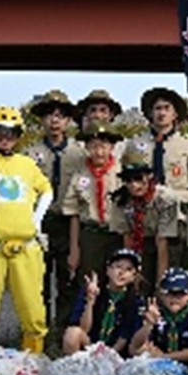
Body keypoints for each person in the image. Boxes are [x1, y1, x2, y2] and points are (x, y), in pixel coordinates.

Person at [0, 105, 54, 353]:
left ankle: (33, 362)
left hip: (25, 249)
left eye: (12, 132)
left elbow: (46, 190)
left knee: (34, 311)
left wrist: (36, 220)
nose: (6, 137)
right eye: (0, 131)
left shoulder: (26, 164)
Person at [27, 90, 86, 339]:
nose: (54, 120)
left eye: (60, 116)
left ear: (68, 121)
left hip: (68, 221)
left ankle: (62, 332)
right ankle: (38, 332)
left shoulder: (79, 151)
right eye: (49, 115)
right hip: (40, 221)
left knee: (67, 279)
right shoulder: (30, 153)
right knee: (38, 280)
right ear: (42, 119)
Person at [62, 121, 124, 316]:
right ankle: (86, 329)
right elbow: (73, 213)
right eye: (94, 146)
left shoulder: (122, 174)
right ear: (87, 147)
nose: (99, 152)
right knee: (89, 283)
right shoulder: (80, 175)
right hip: (91, 235)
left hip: (117, 234)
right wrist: (74, 248)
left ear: (112, 147)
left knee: (117, 282)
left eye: (104, 146)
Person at [107, 144, 181, 290]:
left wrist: (161, 282)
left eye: (139, 178)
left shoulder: (166, 198)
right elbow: (127, 237)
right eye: (128, 180)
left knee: (168, 282)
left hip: (169, 241)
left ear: (149, 176)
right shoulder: (120, 200)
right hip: (140, 242)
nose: (134, 185)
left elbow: (162, 242)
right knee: (139, 286)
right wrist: (131, 272)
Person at [63, 248, 146, 356]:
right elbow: (83, 329)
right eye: (118, 267)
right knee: (72, 333)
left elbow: (125, 336)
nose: (122, 273)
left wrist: (109, 355)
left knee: (144, 348)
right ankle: (74, 370)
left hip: (116, 354)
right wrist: (90, 302)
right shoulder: (93, 289)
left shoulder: (135, 300)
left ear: (133, 277)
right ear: (108, 270)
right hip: (90, 346)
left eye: (129, 269)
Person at [130, 267, 188, 364]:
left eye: (180, 294)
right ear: (161, 295)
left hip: (187, 369)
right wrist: (148, 325)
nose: (175, 298)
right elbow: (134, 349)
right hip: (158, 367)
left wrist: (164, 357)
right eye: (169, 293)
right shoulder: (157, 313)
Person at [135, 86, 188, 206]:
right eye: (158, 108)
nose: (162, 113)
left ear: (174, 114)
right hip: (145, 209)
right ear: (150, 113)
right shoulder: (135, 143)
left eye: (167, 108)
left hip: (178, 208)